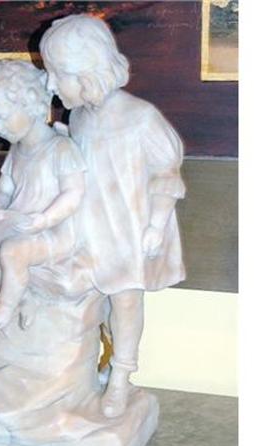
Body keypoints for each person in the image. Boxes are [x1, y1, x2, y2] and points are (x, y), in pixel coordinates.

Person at [40, 14, 186, 418]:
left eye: (56, 74)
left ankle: (121, 375)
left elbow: (167, 172)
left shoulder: (140, 118)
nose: (50, 84)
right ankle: (94, 363)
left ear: (85, 72)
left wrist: (155, 225)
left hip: (128, 229)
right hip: (88, 227)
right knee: (97, 302)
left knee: (124, 302)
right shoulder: (79, 118)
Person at [0, 59, 87, 332]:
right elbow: (4, 189)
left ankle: (6, 306)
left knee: (12, 251)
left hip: (55, 233)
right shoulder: (16, 151)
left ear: (31, 103)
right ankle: (23, 299)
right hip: (19, 228)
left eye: (3, 116)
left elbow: (74, 193)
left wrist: (43, 220)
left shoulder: (61, 148)